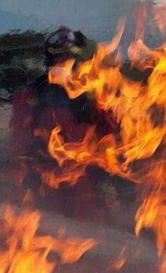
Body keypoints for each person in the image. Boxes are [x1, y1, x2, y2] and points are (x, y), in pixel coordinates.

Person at [10, 26, 118, 220]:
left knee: (88, 239)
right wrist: (23, 175)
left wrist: (106, 179)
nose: (60, 64)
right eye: (55, 59)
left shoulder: (95, 98)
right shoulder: (31, 96)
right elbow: (20, 140)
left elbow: (113, 140)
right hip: (46, 183)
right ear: (48, 61)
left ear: (78, 62)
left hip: (86, 187)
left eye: (65, 59)